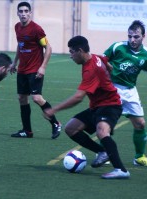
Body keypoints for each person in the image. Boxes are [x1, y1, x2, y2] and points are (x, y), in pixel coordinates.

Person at [44, 35, 130, 179]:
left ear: (80, 50)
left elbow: (78, 97)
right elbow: (109, 66)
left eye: (72, 52)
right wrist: (107, 77)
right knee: (70, 128)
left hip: (110, 105)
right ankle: (102, 152)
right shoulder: (96, 57)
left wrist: (54, 109)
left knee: (102, 131)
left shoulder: (90, 69)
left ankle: (121, 169)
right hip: (97, 106)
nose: (71, 56)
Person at [102, 20, 147, 167]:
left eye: (136, 36)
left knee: (140, 124)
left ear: (143, 36)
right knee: (107, 124)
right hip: (112, 89)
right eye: (130, 36)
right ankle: (105, 153)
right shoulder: (118, 47)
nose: (132, 39)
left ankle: (139, 157)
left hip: (131, 91)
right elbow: (101, 61)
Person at [10, 1, 61, 139]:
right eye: (21, 11)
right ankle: (27, 131)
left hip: (35, 69)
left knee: (37, 98)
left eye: (26, 11)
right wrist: (14, 62)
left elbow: (48, 47)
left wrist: (43, 67)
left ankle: (55, 123)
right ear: (17, 13)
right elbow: (20, 45)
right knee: (22, 98)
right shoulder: (17, 27)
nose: (23, 14)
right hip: (22, 70)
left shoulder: (36, 29)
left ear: (30, 13)